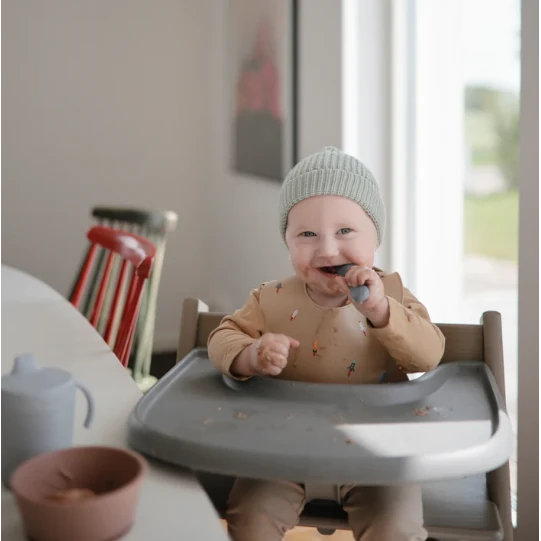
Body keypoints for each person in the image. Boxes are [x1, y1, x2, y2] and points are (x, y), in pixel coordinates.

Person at [208, 146, 446, 541]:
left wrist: (381, 311)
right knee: (250, 516)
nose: (328, 249)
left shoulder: (392, 294)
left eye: (345, 231)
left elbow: (430, 354)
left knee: (396, 526)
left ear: (376, 237)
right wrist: (250, 355)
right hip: (282, 447)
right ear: (287, 241)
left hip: (378, 451)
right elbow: (221, 338)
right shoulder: (270, 299)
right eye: (307, 234)